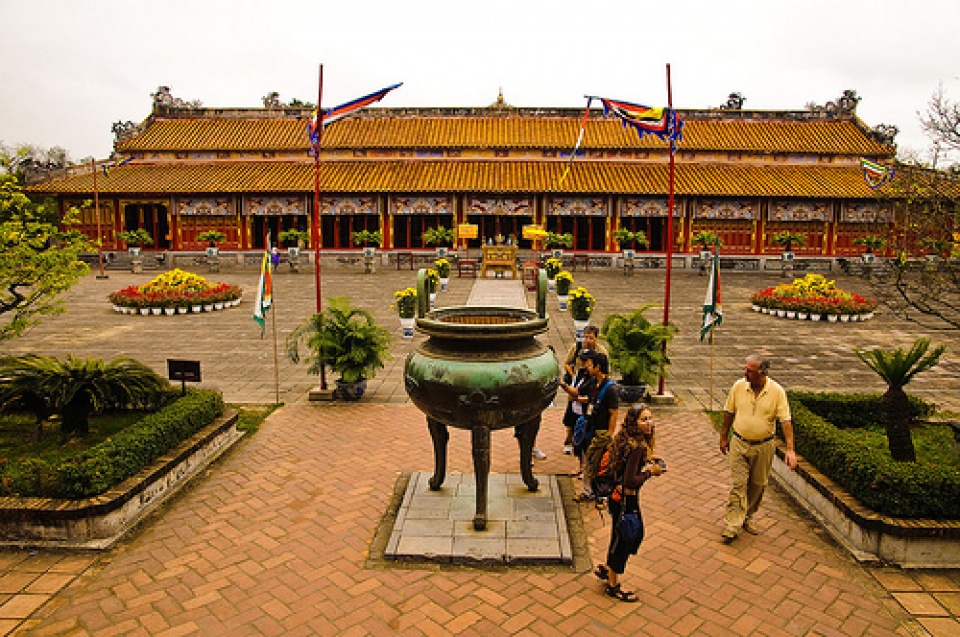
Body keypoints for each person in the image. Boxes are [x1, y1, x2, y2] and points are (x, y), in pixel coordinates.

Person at [718, 354, 798, 543]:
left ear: (762, 373)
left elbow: (785, 421)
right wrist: (723, 436)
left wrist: (790, 449)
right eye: (745, 369)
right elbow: (729, 412)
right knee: (738, 484)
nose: (745, 373)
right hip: (739, 442)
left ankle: (748, 516)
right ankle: (732, 524)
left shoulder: (777, 391)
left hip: (764, 446)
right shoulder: (738, 386)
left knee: (758, 485)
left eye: (750, 371)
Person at [593, 403, 665, 602]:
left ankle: (608, 569)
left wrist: (646, 462)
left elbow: (624, 467)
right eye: (644, 419)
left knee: (619, 535)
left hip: (617, 498)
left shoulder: (626, 439)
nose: (649, 423)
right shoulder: (637, 447)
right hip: (627, 499)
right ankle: (613, 584)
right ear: (634, 422)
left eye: (650, 418)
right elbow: (630, 480)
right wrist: (651, 472)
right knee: (626, 539)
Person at [575, 350, 619, 502]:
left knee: (599, 463)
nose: (587, 367)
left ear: (598, 367)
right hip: (590, 428)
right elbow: (588, 398)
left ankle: (601, 493)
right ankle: (588, 491)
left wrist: (609, 435)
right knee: (588, 460)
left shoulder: (611, 389)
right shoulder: (594, 383)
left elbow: (613, 413)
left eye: (590, 364)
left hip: (601, 432)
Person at [560, 326, 608, 454]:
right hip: (577, 383)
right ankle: (569, 440)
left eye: (591, 337)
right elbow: (566, 363)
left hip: (586, 388)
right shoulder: (577, 347)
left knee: (584, 415)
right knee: (570, 414)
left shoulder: (601, 352)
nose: (588, 340)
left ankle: (581, 442)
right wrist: (572, 376)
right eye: (586, 337)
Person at [558, 348, 596, 477]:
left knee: (586, 442)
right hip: (575, 409)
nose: (583, 362)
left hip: (585, 413)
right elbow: (574, 388)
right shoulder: (580, 372)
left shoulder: (593, 378)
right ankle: (580, 466)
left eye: (586, 360)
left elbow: (583, 395)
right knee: (577, 440)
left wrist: (564, 386)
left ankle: (586, 468)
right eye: (581, 360)